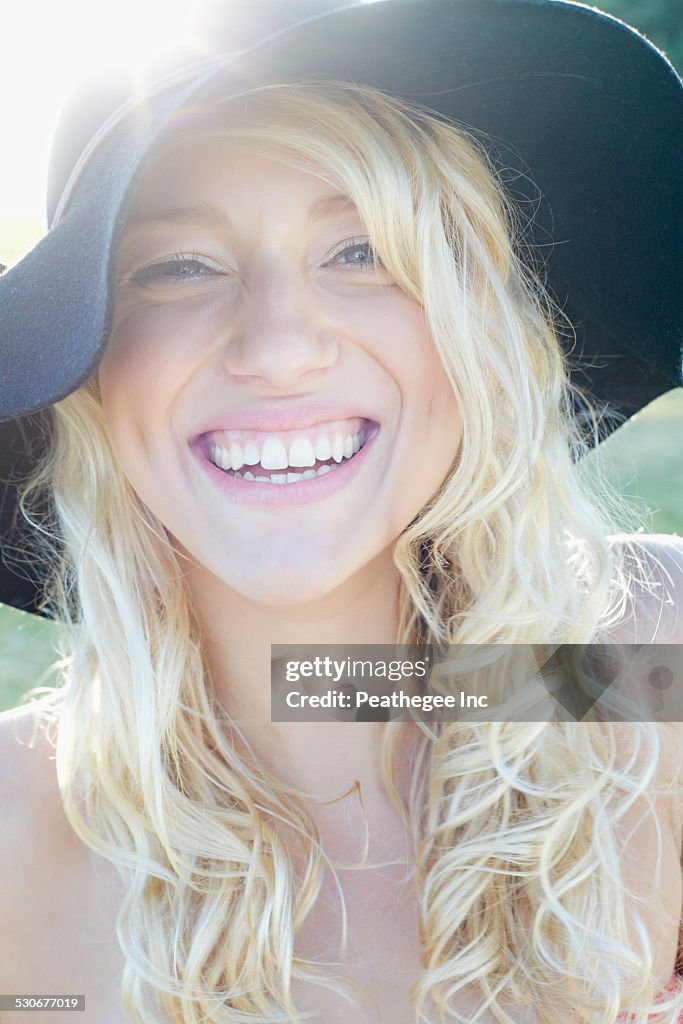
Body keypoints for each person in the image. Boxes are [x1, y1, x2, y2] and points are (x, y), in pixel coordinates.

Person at [0, 2, 682, 1022]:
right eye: (178, 265)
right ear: (86, 372)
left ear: (477, 335)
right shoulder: (18, 824)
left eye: (361, 250)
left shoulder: (634, 662)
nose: (278, 345)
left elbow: (326, 688)